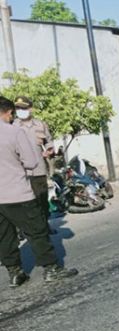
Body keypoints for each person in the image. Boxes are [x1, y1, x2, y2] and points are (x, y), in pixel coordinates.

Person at [0, 97, 78, 286]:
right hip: (18, 192)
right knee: (37, 231)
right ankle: (51, 269)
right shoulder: (14, 131)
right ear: (9, 112)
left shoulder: (32, 126)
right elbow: (31, 162)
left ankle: (15, 273)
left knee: (4, 235)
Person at [12, 96, 54, 224]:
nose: (20, 110)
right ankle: (25, 229)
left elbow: (49, 142)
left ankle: (44, 225)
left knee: (42, 200)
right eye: (18, 108)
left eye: (23, 108)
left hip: (39, 170)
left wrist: (49, 150)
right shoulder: (12, 125)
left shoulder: (40, 125)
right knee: (23, 203)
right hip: (20, 172)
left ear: (30, 109)